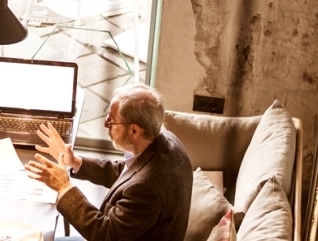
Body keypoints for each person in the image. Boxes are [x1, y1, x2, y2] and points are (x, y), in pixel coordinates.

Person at [25, 83, 193, 240]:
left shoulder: (146, 189)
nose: (105, 124)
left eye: (112, 120)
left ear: (134, 130)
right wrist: (75, 161)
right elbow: (128, 174)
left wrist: (64, 187)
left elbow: (105, 234)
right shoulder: (167, 141)